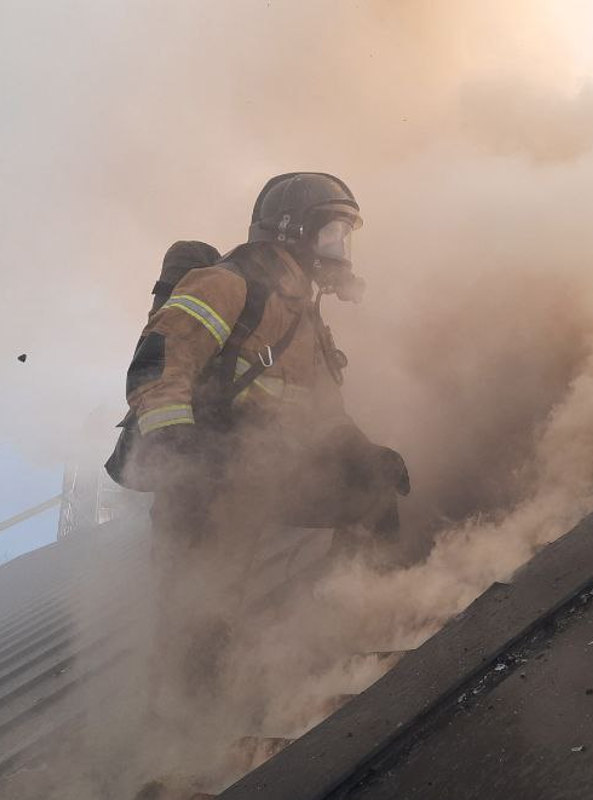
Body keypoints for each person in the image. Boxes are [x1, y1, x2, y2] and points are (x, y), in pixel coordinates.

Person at [118, 172, 410, 706]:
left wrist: (360, 452)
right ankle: (187, 726)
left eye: (345, 235)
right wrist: (180, 450)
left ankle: (349, 624)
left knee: (372, 494)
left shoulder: (304, 318)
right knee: (199, 620)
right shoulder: (227, 285)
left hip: (267, 473)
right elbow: (159, 363)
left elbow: (325, 412)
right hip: (204, 483)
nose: (339, 247)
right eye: (331, 232)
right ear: (293, 230)